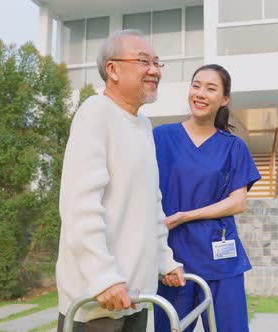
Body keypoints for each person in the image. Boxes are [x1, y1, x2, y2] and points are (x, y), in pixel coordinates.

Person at [56, 29, 185, 331]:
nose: (154, 70)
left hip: (136, 296)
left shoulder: (142, 125)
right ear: (113, 69)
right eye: (143, 61)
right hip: (97, 300)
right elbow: (80, 206)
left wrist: (165, 260)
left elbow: (151, 204)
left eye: (156, 63)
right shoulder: (95, 113)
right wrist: (103, 277)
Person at [153, 64, 261, 332]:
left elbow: (238, 202)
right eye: (196, 85)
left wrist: (186, 215)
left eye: (211, 88)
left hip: (221, 262)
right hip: (174, 262)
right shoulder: (160, 137)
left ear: (224, 100)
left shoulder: (233, 146)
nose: (200, 93)